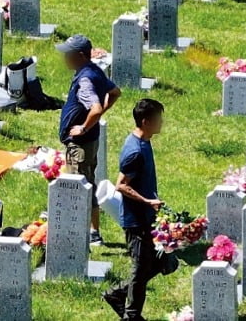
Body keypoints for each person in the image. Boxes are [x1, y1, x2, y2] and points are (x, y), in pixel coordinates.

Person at [56, 34, 122, 246]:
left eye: (68, 54)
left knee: (77, 188)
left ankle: (80, 234)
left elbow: (95, 107)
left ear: (80, 56)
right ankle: (93, 232)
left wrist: (84, 127)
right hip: (89, 142)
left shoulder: (85, 79)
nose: (65, 57)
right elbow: (114, 92)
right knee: (88, 185)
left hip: (81, 146)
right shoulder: (94, 71)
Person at [103, 99, 166, 321]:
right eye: (158, 119)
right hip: (136, 220)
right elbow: (121, 185)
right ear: (146, 122)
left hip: (147, 217)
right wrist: (147, 201)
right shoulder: (135, 151)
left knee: (162, 262)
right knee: (140, 270)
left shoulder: (144, 143)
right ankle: (131, 315)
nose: (162, 123)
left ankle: (117, 294)